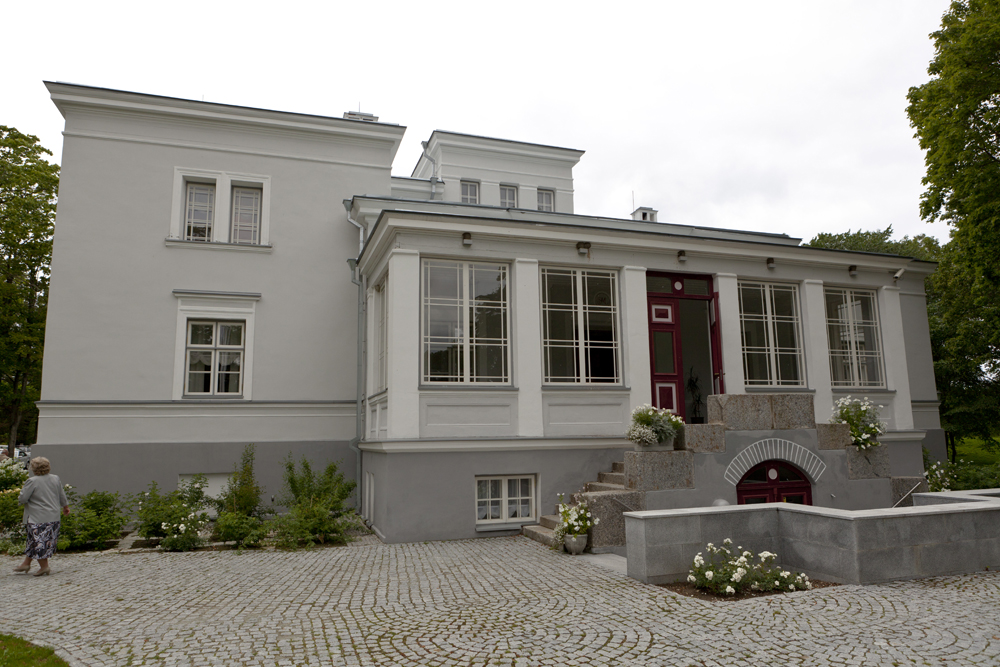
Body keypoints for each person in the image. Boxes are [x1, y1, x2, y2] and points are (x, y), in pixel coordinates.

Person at [15, 457, 69, 576]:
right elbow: (61, 494)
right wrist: (65, 506)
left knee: (39, 542)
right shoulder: (55, 478)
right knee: (33, 541)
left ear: (33, 468)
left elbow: (23, 498)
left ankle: (44, 567)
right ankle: (26, 564)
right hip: (53, 516)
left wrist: (20, 498)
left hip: (37, 517)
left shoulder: (32, 481)